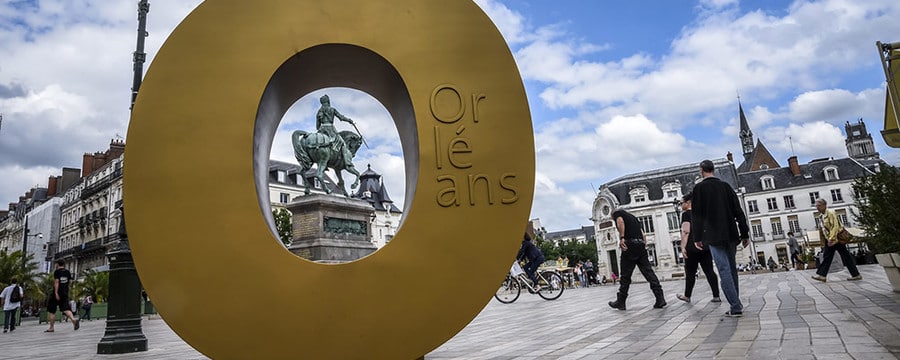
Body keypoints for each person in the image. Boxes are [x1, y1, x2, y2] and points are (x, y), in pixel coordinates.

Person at [691, 160, 750, 317]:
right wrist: (744, 233)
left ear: (701, 170)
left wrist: (697, 237)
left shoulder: (699, 189)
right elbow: (739, 212)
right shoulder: (726, 187)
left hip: (713, 235)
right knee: (732, 270)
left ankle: (735, 306)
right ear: (714, 170)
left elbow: (696, 216)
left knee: (723, 270)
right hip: (730, 234)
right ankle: (735, 301)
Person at [608, 206, 666, 310]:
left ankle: (621, 301)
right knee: (648, 272)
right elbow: (643, 234)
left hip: (629, 245)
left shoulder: (618, 214)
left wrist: (622, 238)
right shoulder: (633, 218)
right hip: (640, 245)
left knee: (625, 275)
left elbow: (620, 221)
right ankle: (660, 297)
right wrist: (643, 245)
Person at [675, 193, 721, 304]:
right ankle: (716, 295)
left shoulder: (686, 214)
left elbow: (686, 231)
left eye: (682, 203)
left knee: (690, 272)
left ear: (688, 202)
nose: (680, 205)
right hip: (705, 246)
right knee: (709, 270)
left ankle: (687, 296)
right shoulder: (702, 213)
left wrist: (683, 246)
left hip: (691, 246)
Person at [811, 198, 862, 282]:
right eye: (816, 206)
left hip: (836, 238)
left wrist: (832, 238)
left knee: (836, 256)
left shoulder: (831, 213)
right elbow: (823, 230)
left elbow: (835, 226)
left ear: (824, 205)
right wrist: (825, 240)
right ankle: (855, 274)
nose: (817, 208)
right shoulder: (821, 216)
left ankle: (822, 275)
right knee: (834, 256)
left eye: (819, 206)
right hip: (830, 239)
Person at [315, 94, 356, 167]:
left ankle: (321, 164)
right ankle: (347, 162)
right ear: (328, 101)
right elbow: (341, 117)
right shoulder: (332, 109)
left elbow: (317, 126)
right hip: (330, 129)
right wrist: (349, 120)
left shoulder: (319, 112)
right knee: (343, 143)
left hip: (321, 130)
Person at [46, 260, 79, 332]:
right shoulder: (67, 272)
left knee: (52, 310)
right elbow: (70, 282)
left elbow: (57, 282)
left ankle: (51, 327)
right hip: (65, 293)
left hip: (57, 293)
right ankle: (73, 320)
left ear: (57, 264)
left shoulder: (57, 272)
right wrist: (66, 289)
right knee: (66, 309)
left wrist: (56, 292)